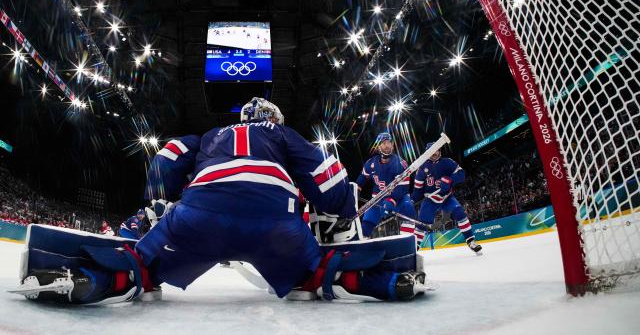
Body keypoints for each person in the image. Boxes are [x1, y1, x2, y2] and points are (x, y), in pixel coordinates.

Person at [15, 98, 428, 304]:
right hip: (275, 224)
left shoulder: (211, 136)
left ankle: (87, 282)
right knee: (316, 274)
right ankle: (389, 282)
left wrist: (161, 203)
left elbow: (164, 157)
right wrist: (340, 214)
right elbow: (328, 179)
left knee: (145, 270)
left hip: (200, 215)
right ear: (273, 120)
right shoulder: (282, 136)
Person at [412, 142, 482, 253]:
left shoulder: (447, 162)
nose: (434, 153)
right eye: (431, 151)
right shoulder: (422, 167)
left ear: (439, 150)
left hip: (447, 198)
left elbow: (461, 174)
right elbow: (418, 189)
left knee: (460, 214)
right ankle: (413, 250)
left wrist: (450, 179)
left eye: (436, 150)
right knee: (422, 224)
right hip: (430, 200)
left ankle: (471, 241)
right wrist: (411, 200)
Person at [356, 132, 416, 238]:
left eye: (389, 142)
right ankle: (363, 242)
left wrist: (391, 200)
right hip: (378, 199)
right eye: (383, 143)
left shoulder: (400, 163)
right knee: (368, 219)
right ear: (378, 146)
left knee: (408, 207)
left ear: (392, 145)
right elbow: (362, 177)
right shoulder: (370, 163)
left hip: (399, 199)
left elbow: (403, 188)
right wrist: (357, 190)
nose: (387, 145)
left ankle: (408, 239)